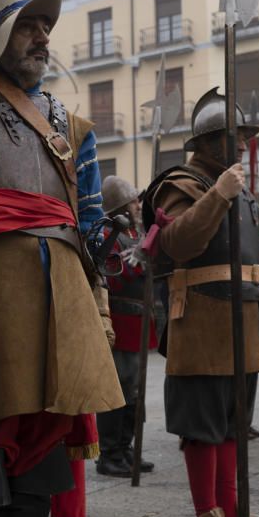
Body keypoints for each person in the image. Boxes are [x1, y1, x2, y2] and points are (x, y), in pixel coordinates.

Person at [0, 0, 124, 517]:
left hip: (61, 305)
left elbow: (88, 226)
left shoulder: (70, 125)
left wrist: (103, 288)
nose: (43, 36)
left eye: (46, 26)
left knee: (43, 448)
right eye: (28, 25)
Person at [146, 88, 259, 517]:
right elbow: (177, 242)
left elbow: (248, 257)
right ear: (209, 144)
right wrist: (220, 195)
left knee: (232, 426)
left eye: (247, 137)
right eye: (236, 137)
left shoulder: (241, 193)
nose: (246, 147)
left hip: (242, 320)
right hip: (202, 322)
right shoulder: (181, 183)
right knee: (203, 428)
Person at [94, 175, 159, 477]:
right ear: (120, 205)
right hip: (120, 321)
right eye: (133, 200)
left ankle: (126, 448)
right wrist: (137, 259)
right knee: (118, 391)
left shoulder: (136, 231)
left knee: (134, 392)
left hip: (139, 320)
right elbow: (111, 275)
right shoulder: (109, 233)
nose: (138, 204)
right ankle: (110, 453)